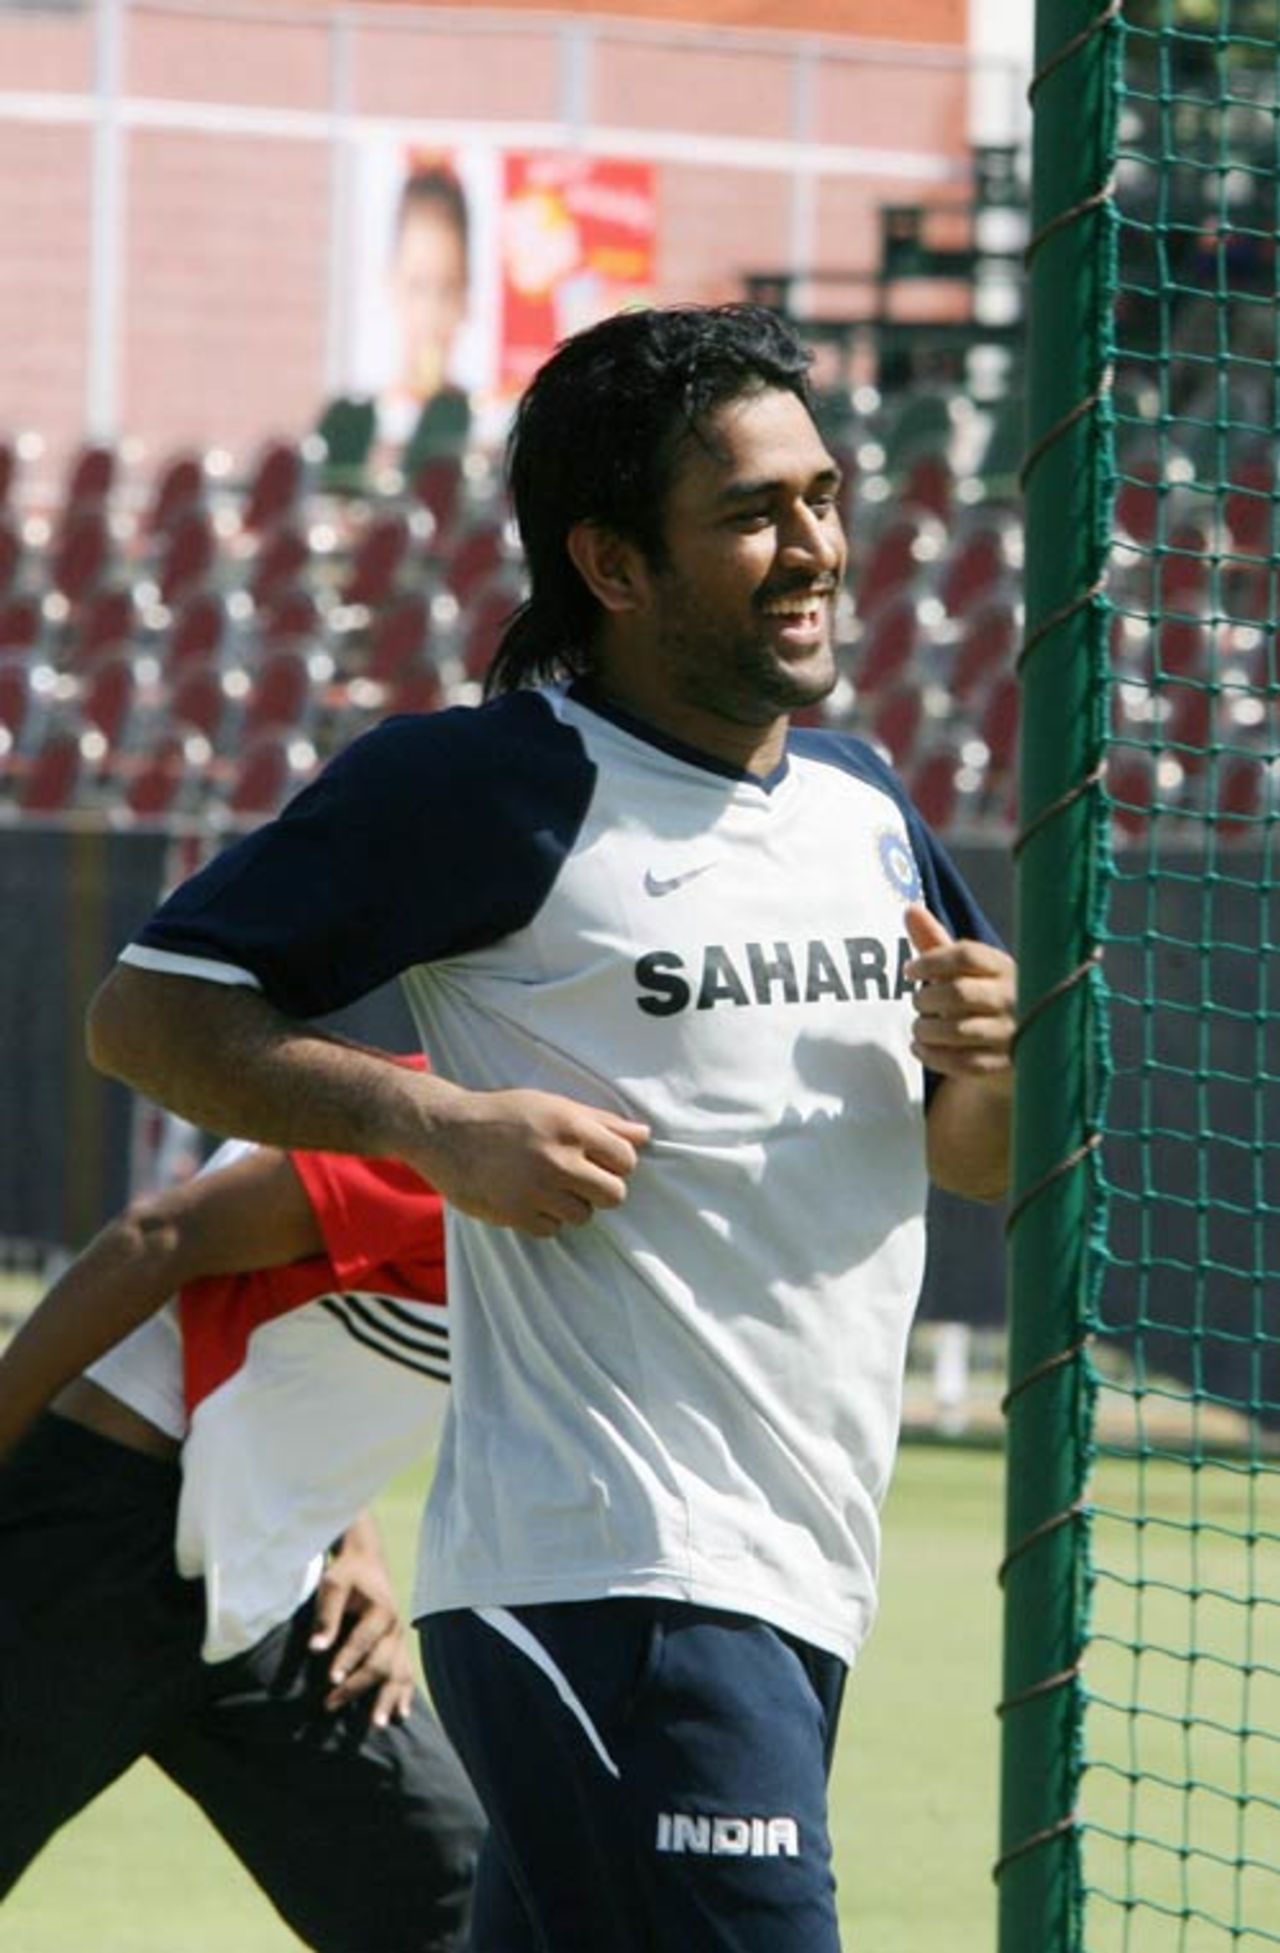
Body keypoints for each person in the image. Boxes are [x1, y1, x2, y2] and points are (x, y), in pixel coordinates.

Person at [85, 300, 1018, 1950]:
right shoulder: (485, 784)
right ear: (614, 562)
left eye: (821, 496)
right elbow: (148, 1014)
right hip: (615, 1576)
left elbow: (974, 1156)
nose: (815, 546)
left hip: (801, 1575)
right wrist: (434, 1124)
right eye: (752, 512)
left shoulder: (868, 805)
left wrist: (995, 1058)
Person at [0, 1102, 483, 1953]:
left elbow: (304, 1339)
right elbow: (159, 1233)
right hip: (86, 1545)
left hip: (263, 1579)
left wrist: (354, 1543)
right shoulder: (475, 1133)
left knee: (463, 1899)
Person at [317, 164, 473, 491]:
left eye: (447, 288)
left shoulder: (471, 420)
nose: (431, 313)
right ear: (392, 285)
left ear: (465, 297)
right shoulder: (350, 417)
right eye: (417, 287)